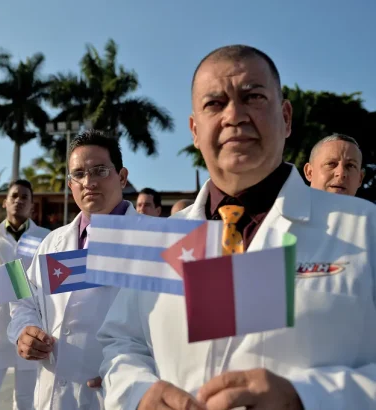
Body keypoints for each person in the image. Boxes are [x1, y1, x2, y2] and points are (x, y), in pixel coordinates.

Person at [98, 45, 376, 410]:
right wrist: (137, 392)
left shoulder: (365, 228)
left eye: (253, 96)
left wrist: (308, 398)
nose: (234, 115)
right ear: (195, 130)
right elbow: (121, 342)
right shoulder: (161, 239)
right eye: (215, 103)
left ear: (286, 117)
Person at [8, 130, 138, 409]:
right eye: (78, 174)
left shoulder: (152, 243)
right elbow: (25, 300)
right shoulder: (53, 241)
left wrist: (139, 369)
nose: (88, 182)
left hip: (119, 395)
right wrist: (24, 330)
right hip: (54, 393)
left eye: (100, 170)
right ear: (70, 185)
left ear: (122, 177)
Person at [0, 179, 51, 410]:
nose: (19, 200)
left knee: (26, 401)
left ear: (32, 206)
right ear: (5, 203)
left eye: (25, 197)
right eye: (14, 196)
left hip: (31, 328)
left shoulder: (46, 239)